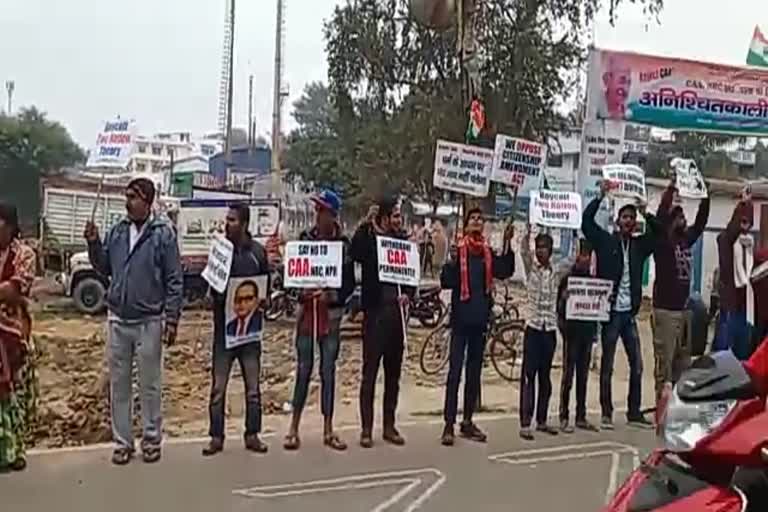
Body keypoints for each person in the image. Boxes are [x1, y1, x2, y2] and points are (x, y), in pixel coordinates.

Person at [85, 178, 183, 465]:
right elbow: (103, 267)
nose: (128, 202)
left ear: (148, 201)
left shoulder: (163, 235)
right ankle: (123, 442)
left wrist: (173, 319)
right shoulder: (116, 231)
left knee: (150, 385)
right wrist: (92, 243)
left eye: (134, 197)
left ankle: (151, 440)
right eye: (127, 196)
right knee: (120, 385)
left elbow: (174, 280)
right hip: (118, 320)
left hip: (149, 322)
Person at [582, 180, 659, 430]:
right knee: (608, 364)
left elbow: (657, 233)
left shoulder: (639, 246)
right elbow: (586, 223)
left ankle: (634, 412)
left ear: (635, 222)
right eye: (624, 217)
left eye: (631, 217)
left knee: (637, 364)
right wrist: (601, 196)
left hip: (630, 315)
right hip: (611, 313)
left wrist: (646, 210)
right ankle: (606, 411)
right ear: (618, 221)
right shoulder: (606, 242)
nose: (628, 221)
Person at [284, 190, 355, 452]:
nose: (317, 215)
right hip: (307, 313)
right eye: (317, 210)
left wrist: (331, 294)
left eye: (322, 211)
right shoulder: (304, 239)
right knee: (303, 369)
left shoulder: (344, 247)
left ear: (332, 215)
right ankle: (293, 427)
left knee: (328, 371)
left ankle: (328, 428)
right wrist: (301, 292)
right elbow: (291, 277)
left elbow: (348, 285)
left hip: (332, 317)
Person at [439, 208, 515, 446]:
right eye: (473, 218)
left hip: (480, 322)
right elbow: (446, 281)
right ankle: (448, 424)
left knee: (474, 374)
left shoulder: (487, 254)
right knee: (454, 374)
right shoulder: (458, 251)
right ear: (466, 224)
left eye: (480, 219)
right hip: (461, 322)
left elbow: (505, 271)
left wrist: (508, 243)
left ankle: (468, 421)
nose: (477, 221)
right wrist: (450, 261)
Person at [202, 204, 271, 456]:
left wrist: (264, 301)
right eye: (226, 219)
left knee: (253, 389)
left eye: (231, 220)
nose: (226, 224)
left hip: (250, 335)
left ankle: (252, 434)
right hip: (223, 333)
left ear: (243, 224)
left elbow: (267, 291)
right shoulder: (220, 251)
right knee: (218, 388)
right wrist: (210, 297)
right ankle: (216, 437)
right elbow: (210, 286)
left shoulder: (258, 254)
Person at [351, 196, 414, 448]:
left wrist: (408, 295)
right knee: (369, 375)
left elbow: (411, 277)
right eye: (394, 215)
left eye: (399, 215)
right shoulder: (369, 240)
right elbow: (354, 252)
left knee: (393, 375)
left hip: (396, 318)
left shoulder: (402, 243)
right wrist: (365, 224)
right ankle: (366, 429)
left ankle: (389, 425)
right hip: (375, 315)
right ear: (384, 218)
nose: (397, 220)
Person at [652, 179, 710, 401]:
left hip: (684, 312)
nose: (684, 220)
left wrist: (705, 195)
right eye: (679, 218)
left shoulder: (686, 240)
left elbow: (701, 221)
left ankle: (677, 407)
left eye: (684, 217)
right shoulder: (663, 243)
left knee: (682, 365)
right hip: (665, 312)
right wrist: (670, 190)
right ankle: (661, 406)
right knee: (664, 366)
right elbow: (659, 218)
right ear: (671, 222)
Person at [518, 226, 575, 440]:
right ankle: (526, 422)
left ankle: (541, 420)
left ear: (551, 251)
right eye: (538, 247)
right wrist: (528, 229)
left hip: (549, 329)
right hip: (533, 327)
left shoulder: (556, 272)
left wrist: (574, 230)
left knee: (545, 377)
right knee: (528, 377)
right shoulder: (530, 269)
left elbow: (572, 259)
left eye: (545, 247)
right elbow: (523, 250)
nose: (540, 251)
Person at [0, 203, 37, 472]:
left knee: (17, 395)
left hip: (15, 335)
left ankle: (17, 450)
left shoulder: (25, 254)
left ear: (10, 226)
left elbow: (14, 290)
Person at [556, 239, 599, 434]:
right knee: (568, 375)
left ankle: (580, 416)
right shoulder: (568, 279)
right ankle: (563, 415)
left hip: (587, 334)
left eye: (588, 256)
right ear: (577, 255)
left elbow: (598, 307)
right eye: (583, 255)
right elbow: (559, 307)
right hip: (571, 334)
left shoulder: (594, 281)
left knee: (583, 376)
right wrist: (564, 329)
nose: (585, 259)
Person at [713, 187, 755, 360]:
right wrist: (743, 204)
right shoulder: (726, 242)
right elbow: (730, 232)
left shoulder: (750, 246)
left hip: (746, 309)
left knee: (743, 356)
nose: (744, 225)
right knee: (725, 357)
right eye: (742, 221)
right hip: (730, 307)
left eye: (748, 222)